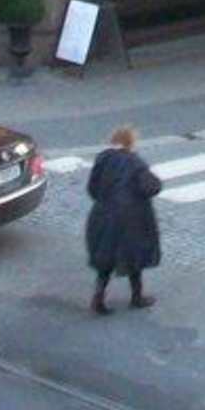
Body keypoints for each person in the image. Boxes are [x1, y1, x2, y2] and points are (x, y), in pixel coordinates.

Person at [85, 127, 162, 314]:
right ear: (131, 143)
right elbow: (152, 187)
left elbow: (92, 188)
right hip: (131, 219)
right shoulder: (135, 163)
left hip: (103, 215)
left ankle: (98, 298)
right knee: (134, 256)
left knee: (106, 258)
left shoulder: (102, 160)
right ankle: (137, 296)